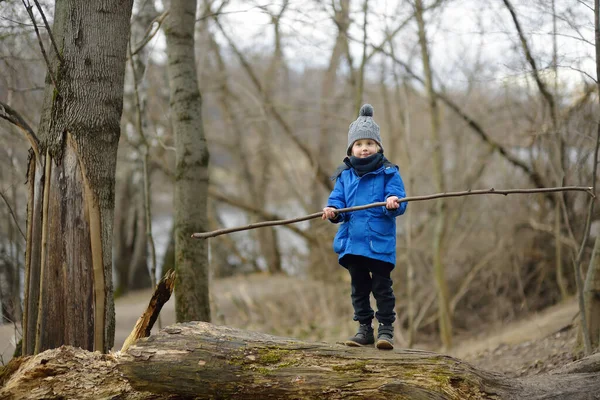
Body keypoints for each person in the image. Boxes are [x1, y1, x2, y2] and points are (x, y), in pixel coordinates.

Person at [322, 104, 407, 350]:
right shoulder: (344, 175)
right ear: (351, 149)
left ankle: (386, 330)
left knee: (382, 288)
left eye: (369, 143)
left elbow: (399, 201)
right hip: (352, 242)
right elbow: (337, 199)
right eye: (358, 144)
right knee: (358, 288)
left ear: (378, 147)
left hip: (378, 243)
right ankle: (364, 329)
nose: (364, 148)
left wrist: (392, 203)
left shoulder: (389, 172)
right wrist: (332, 210)